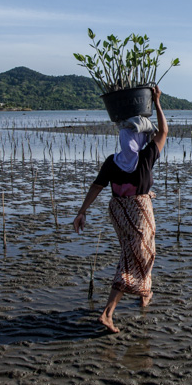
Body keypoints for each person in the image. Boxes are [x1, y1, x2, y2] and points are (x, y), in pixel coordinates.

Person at [73, 86, 168, 334]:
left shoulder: (113, 161)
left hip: (118, 212)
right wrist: (157, 102)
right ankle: (107, 313)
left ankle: (145, 291)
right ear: (140, 140)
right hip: (137, 212)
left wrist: (82, 211)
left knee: (142, 253)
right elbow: (164, 131)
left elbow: (97, 187)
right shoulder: (146, 156)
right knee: (132, 259)